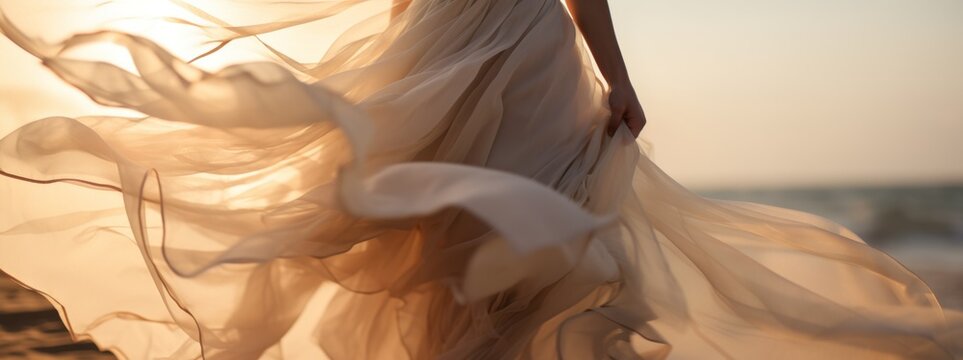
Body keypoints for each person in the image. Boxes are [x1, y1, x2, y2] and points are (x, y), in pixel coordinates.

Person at [0, 0, 960, 359]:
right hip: (451, 43)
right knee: (448, 236)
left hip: (490, 46)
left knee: (501, 230)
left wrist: (615, 78)